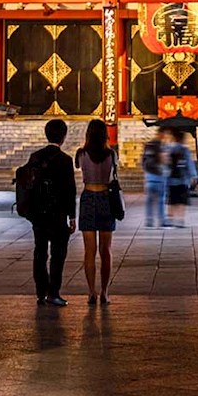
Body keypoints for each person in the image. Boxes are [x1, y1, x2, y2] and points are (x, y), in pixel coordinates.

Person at [19, 117, 76, 306]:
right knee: (58, 254)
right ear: (63, 137)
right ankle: (54, 292)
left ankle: (40, 292)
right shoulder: (65, 160)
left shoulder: (35, 157)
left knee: (40, 252)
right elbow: (70, 190)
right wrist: (72, 216)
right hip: (58, 214)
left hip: (38, 213)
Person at [76, 118, 121, 302]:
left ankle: (91, 292)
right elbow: (113, 175)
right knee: (106, 250)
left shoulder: (81, 154)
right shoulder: (111, 154)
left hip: (88, 197)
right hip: (105, 198)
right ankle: (105, 292)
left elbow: (79, 167)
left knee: (89, 251)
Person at [164, 128, 195, 226]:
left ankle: (170, 218)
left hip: (170, 178)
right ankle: (181, 220)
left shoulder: (169, 148)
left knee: (171, 200)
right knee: (182, 200)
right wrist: (193, 175)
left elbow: (165, 163)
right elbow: (189, 163)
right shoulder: (185, 149)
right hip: (182, 179)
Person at [140, 127, 168, 228]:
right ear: (162, 134)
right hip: (158, 175)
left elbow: (143, 160)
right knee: (160, 199)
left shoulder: (148, 145)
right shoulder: (160, 145)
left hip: (149, 175)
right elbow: (163, 158)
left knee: (149, 200)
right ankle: (161, 220)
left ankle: (149, 220)